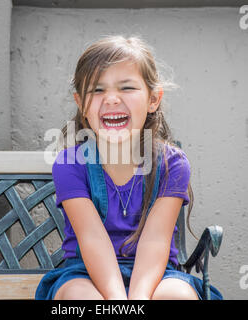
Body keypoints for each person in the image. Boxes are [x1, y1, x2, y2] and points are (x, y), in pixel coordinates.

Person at [35, 35, 223, 300]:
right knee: (79, 298)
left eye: (127, 88)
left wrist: (137, 301)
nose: (111, 99)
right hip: (86, 272)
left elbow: (156, 241)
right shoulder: (70, 164)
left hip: (156, 275)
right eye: (97, 90)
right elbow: (91, 239)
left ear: (153, 100)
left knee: (178, 296)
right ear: (80, 103)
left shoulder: (172, 164)